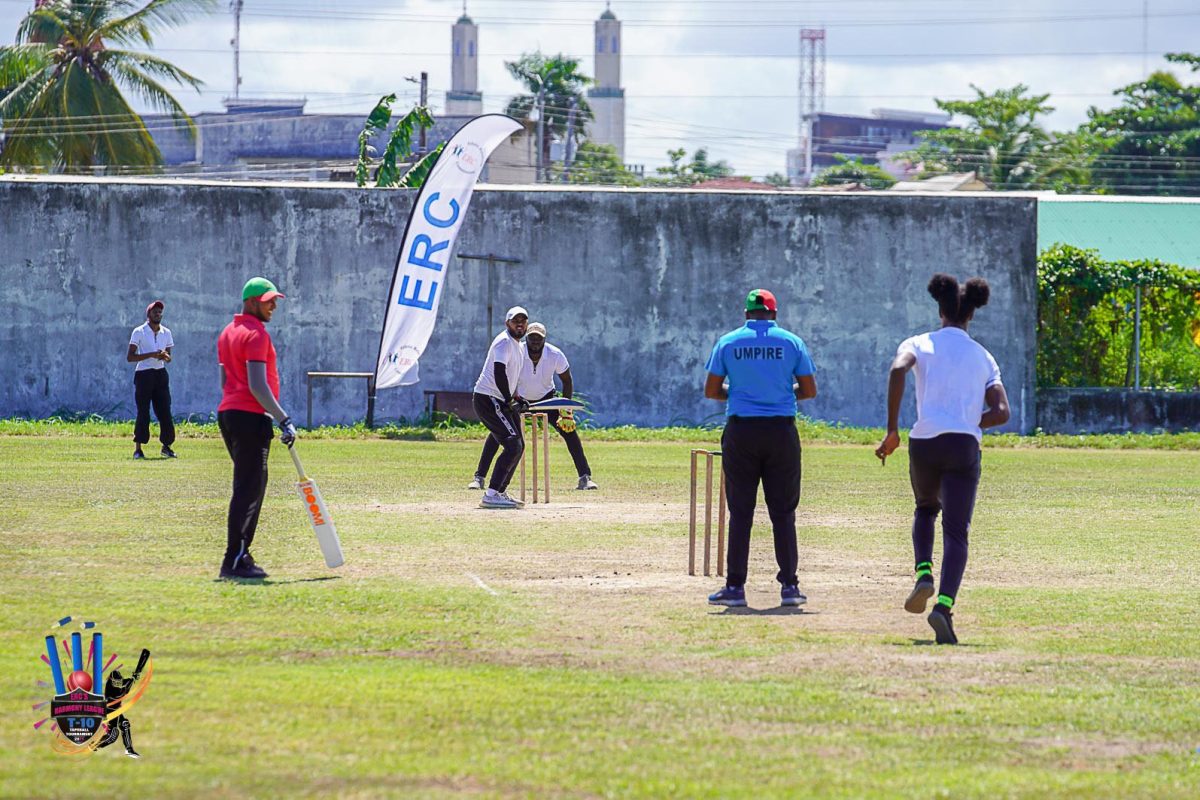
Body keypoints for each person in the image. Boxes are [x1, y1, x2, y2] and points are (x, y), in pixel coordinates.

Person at [875, 274, 1010, 645]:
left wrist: (891, 430)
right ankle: (944, 608)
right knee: (956, 530)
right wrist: (968, 419)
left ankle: (923, 573)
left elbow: (897, 369)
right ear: (971, 316)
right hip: (963, 445)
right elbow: (1001, 412)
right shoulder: (983, 356)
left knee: (924, 509)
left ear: (940, 310)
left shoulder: (918, 343)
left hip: (925, 442)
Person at [703, 289, 817, 608]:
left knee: (740, 513)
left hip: (742, 431)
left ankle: (735, 588)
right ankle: (790, 588)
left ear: (746, 313)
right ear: (774, 314)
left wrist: (742, 392)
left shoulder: (728, 342)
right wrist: (778, 391)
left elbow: (712, 389)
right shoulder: (792, 342)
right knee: (783, 513)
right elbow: (808, 390)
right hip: (781, 431)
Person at [215, 277, 296, 579]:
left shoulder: (227, 333)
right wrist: (283, 418)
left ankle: (240, 555)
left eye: (274, 300)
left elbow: (226, 382)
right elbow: (257, 385)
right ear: (251, 302)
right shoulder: (256, 334)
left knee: (249, 487)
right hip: (250, 418)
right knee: (249, 489)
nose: (274, 305)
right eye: (268, 300)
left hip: (230, 415)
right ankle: (234, 559)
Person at [469, 322, 598, 491]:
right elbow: (503, 374)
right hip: (520, 401)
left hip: (546, 399)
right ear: (527, 338)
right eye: (532, 338)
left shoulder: (554, 354)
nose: (535, 342)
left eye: (539, 338)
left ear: (544, 339)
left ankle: (585, 477)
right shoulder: (517, 351)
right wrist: (510, 400)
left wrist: (566, 411)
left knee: (569, 432)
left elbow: (567, 380)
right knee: (499, 434)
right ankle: (479, 477)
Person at [470, 306, 529, 509]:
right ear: (507, 324)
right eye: (515, 321)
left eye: (523, 320)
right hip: (489, 398)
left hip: (501, 398)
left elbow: (511, 376)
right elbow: (499, 372)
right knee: (513, 444)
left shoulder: (519, 346)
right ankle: (492, 494)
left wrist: (516, 396)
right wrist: (508, 399)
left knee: (519, 446)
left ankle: (499, 492)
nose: (519, 324)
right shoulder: (504, 341)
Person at [127, 300, 175, 459]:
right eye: (155, 311)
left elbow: (169, 358)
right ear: (149, 314)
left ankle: (166, 446)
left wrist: (164, 356)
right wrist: (151, 354)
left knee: (165, 411)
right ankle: (138, 449)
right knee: (143, 412)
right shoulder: (139, 332)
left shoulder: (166, 332)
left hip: (160, 374)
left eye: (160, 312)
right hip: (144, 374)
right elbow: (130, 357)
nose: (158, 314)